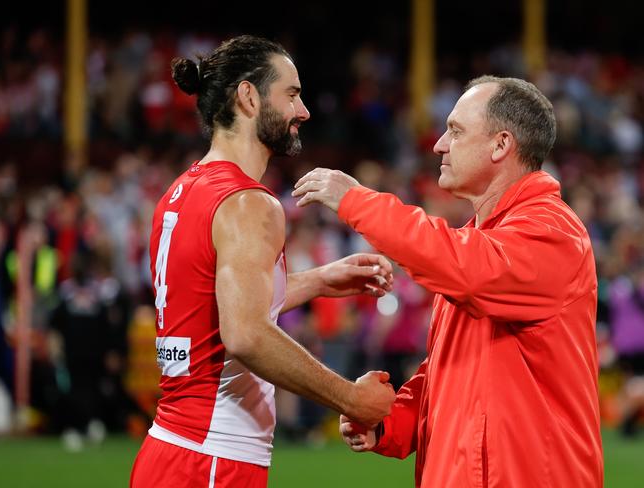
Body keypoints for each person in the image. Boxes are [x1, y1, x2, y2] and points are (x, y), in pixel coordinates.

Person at [293, 76, 603, 487]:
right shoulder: (483, 241)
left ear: (500, 145)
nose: (439, 144)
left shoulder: (552, 232)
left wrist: (357, 201)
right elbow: (451, 370)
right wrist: (391, 421)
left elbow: (466, 267)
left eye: (455, 131)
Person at [130, 35, 396, 488]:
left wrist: (317, 280)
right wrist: (351, 398)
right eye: (291, 94)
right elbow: (246, 333)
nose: (304, 111)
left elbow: (216, 308)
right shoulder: (249, 203)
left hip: (171, 449)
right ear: (248, 96)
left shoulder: (181, 192)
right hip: (212, 458)